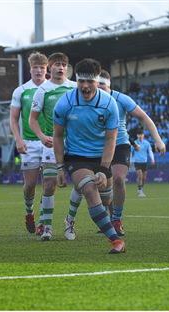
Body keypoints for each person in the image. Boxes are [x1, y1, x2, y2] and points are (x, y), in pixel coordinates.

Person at [63, 70, 166, 239]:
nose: (100, 87)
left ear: (109, 85)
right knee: (85, 186)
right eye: (99, 84)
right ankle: (70, 219)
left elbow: (144, 117)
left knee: (118, 179)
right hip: (95, 148)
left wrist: (158, 140)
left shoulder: (121, 99)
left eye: (103, 84)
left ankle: (116, 219)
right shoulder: (86, 99)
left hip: (119, 144)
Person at [53, 58, 125, 254]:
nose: (85, 86)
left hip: (101, 157)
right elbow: (58, 135)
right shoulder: (65, 102)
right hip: (76, 157)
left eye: (90, 81)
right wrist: (59, 167)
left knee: (106, 199)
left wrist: (103, 169)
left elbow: (111, 140)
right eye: (81, 81)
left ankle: (70, 218)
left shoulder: (109, 104)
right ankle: (116, 241)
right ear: (75, 80)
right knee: (89, 189)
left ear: (97, 80)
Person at [29, 52, 76, 240]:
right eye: (57, 64)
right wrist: (41, 136)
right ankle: (46, 227)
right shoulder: (43, 90)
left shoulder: (74, 88)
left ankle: (69, 221)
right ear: (50, 67)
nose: (61, 67)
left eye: (64, 64)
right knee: (49, 184)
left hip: (75, 143)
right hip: (51, 143)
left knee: (80, 185)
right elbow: (32, 119)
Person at [9, 52, 48, 233]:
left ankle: (43, 221)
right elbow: (13, 119)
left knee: (49, 183)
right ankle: (29, 212)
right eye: (35, 67)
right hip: (30, 143)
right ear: (30, 69)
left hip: (50, 142)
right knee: (30, 184)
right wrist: (18, 140)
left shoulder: (53, 88)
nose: (39, 71)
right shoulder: (21, 91)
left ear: (46, 69)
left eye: (42, 67)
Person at [132, 128, 156, 197]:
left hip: (144, 162)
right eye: (139, 134)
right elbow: (130, 151)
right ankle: (140, 190)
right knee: (140, 176)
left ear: (143, 135)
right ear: (137, 135)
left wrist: (152, 159)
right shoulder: (134, 143)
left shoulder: (147, 143)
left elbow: (150, 151)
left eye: (141, 134)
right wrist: (129, 159)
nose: (140, 136)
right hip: (137, 162)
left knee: (144, 178)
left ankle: (141, 188)